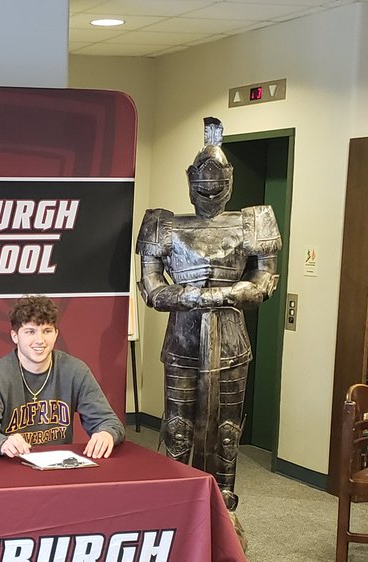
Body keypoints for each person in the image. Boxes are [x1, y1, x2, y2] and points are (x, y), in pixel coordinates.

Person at [135, 117, 281, 511]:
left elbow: (266, 276)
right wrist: (192, 297)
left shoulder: (253, 220)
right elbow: (150, 285)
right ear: (190, 180)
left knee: (227, 431)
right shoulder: (164, 223)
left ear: (230, 180)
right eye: (202, 183)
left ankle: (224, 504)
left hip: (232, 338)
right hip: (183, 337)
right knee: (179, 426)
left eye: (217, 182)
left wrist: (237, 291)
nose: (209, 190)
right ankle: (174, 500)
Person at [0, 295, 125, 459]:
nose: (40, 340)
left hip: (60, 468)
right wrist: (3, 442)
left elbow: (110, 422)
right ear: (15, 336)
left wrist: (106, 434)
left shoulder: (75, 371)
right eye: (30, 331)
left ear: (56, 334)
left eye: (47, 331)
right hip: (13, 464)